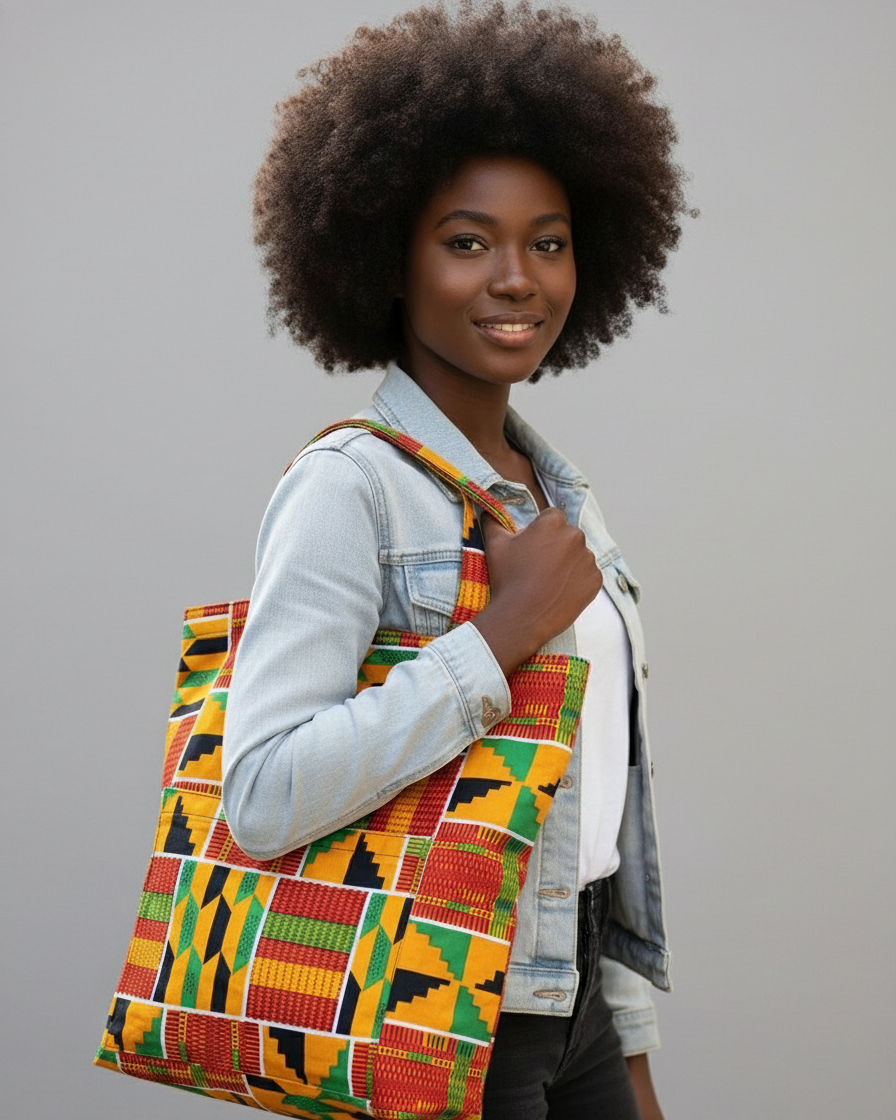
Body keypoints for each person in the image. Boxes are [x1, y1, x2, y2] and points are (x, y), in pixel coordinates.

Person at [223, 4, 691, 1117]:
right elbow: (261, 793)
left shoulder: (561, 496)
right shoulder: (349, 485)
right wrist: (497, 635)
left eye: (548, 239)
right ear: (388, 256)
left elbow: (594, 803)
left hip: (570, 992)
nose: (517, 278)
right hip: (435, 1014)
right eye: (467, 240)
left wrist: (625, 1049)